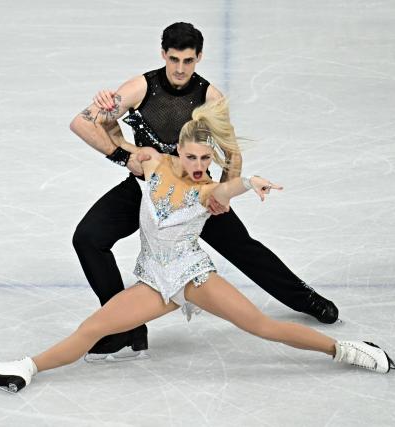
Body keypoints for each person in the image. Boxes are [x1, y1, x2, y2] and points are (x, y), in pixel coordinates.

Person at [0, 99, 395, 393]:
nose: (198, 166)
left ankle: (349, 351)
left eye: (205, 160)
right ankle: (24, 369)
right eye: (192, 158)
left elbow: (229, 192)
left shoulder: (209, 191)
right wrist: (103, 106)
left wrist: (249, 182)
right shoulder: (152, 163)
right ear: (177, 153)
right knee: (95, 327)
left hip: (191, 276)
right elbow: (101, 130)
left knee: (263, 328)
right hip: (154, 279)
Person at [69, 22, 339, 362]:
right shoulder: (140, 87)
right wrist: (125, 158)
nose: (180, 68)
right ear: (163, 54)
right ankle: (124, 328)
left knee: (243, 248)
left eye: (188, 61)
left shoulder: (210, 97)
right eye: (174, 59)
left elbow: (232, 152)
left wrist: (222, 194)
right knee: (88, 238)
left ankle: (306, 299)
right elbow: (82, 122)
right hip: (143, 188)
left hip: (192, 196)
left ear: (199, 58)